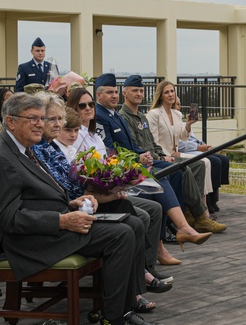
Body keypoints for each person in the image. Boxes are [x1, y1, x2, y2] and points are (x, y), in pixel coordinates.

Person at [0, 92, 164, 325]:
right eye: (33, 119)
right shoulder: (0, 158)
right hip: (32, 242)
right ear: (10, 121)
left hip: (53, 226)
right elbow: (9, 219)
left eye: (42, 119)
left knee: (131, 222)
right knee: (120, 235)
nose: (40, 125)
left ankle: (126, 311)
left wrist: (71, 204)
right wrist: (62, 220)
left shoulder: (22, 149)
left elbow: (36, 197)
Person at [32, 94, 170, 309]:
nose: (57, 125)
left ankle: (132, 294)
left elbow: (69, 186)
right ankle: (120, 310)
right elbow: (39, 202)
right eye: (51, 119)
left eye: (59, 119)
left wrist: (109, 187)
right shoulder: (35, 150)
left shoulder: (53, 146)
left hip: (78, 205)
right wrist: (83, 200)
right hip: (61, 222)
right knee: (128, 226)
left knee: (137, 211)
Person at [86, 80, 211, 255]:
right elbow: (109, 151)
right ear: (98, 95)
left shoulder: (115, 115)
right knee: (162, 175)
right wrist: (138, 157)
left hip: (136, 160)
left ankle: (176, 226)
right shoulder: (101, 116)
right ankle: (173, 234)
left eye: (115, 92)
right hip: (121, 167)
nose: (114, 96)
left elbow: (134, 144)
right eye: (109, 92)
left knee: (175, 171)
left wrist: (144, 154)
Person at [118, 75, 225, 233]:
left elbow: (152, 142)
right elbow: (136, 147)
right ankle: (198, 215)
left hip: (160, 156)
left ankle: (195, 213)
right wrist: (161, 156)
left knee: (200, 164)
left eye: (141, 90)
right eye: (135, 90)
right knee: (183, 168)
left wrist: (161, 153)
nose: (139, 94)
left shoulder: (141, 117)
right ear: (124, 93)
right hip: (147, 161)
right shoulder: (125, 118)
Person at [148, 80, 230, 214]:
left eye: (172, 91)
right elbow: (154, 141)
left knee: (206, 162)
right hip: (165, 156)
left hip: (175, 153)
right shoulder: (154, 114)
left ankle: (203, 205)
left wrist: (188, 124)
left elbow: (183, 137)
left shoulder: (177, 114)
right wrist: (165, 156)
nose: (170, 95)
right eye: (166, 92)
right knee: (202, 163)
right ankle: (199, 209)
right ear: (160, 96)